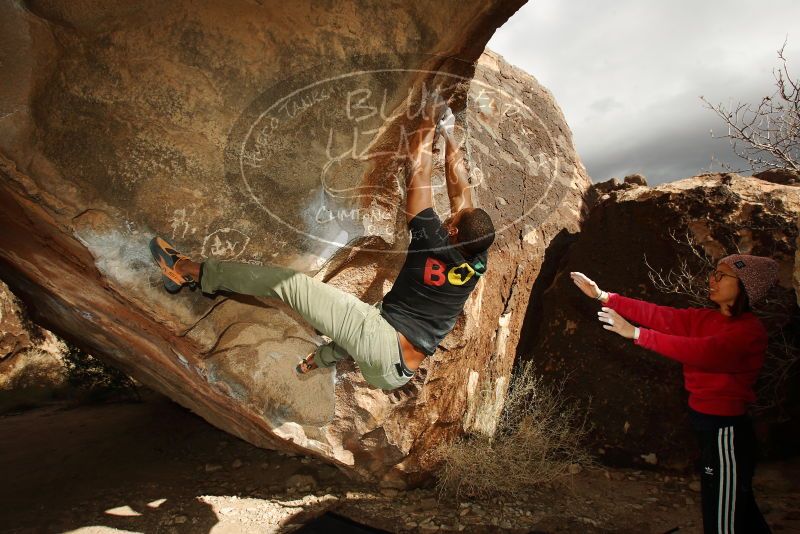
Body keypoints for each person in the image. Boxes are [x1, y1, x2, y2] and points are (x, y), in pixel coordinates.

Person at [149, 91, 495, 391]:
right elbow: (462, 194)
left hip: (381, 343)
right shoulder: (477, 260)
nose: (452, 214)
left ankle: (184, 270)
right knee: (365, 319)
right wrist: (451, 134)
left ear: (451, 232)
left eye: (452, 220)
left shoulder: (430, 239)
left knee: (286, 285)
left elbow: (420, 169)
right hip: (396, 374)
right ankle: (318, 361)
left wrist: (430, 116)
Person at [571, 254, 778, 534]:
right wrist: (603, 295)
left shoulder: (748, 333)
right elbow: (659, 315)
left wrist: (635, 334)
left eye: (722, 275)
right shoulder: (706, 318)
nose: (712, 280)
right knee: (735, 508)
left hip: (726, 434)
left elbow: (702, 352)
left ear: (745, 286)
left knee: (723, 520)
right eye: (713, 273)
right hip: (708, 428)